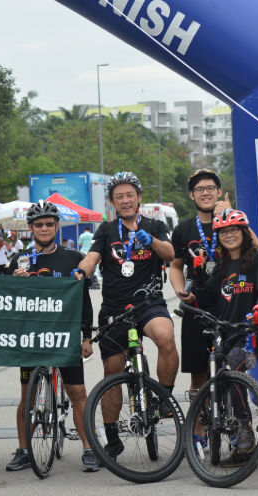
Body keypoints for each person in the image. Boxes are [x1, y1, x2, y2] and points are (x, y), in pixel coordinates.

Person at [76, 171, 178, 462]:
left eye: (129, 195)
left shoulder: (155, 225)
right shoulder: (106, 230)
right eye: (118, 196)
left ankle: (164, 397)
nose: (125, 200)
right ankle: (112, 438)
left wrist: (152, 241)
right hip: (114, 308)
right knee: (112, 373)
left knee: (166, 337)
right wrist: (81, 271)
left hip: (148, 303)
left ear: (139, 197)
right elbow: (92, 258)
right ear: (112, 202)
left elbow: (170, 254)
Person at [4, 200, 98, 472]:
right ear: (30, 228)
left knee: (78, 393)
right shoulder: (19, 260)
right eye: (38, 224)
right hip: (31, 337)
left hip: (65, 336)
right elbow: (6, 301)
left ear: (57, 226)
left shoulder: (73, 258)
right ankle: (24, 451)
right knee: (28, 397)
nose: (44, 228)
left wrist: (86, 337)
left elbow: (83, 300)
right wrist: (15, 285)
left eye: (49, 224)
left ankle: (89, 448)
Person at [192, 209, 258, 466]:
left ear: (244, 233)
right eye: (224, 232)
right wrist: (198, 274)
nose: (229, 235)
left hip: (250, 333)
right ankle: (223, 426)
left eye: (234, 230)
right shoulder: (222, 266)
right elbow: (207, 299)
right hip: (224, 334)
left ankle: (245, 429)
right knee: (219, 373)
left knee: (233, 368)